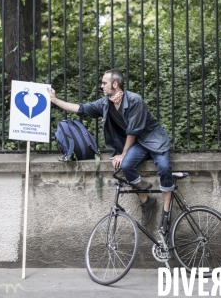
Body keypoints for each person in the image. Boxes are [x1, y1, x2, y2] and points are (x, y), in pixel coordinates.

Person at [48, 69, 173, 227]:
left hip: (154, 140)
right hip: (139, 144)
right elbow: (81, 108)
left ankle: (167, 212)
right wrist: (55, 100)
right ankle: (146, 200)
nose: (101, 86)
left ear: (115, 84)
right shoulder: (106, 103)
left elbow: (132, 131)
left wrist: (123, 153)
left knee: (164, 167)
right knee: (126, 166)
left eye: (104, 83)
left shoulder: (135, 100)